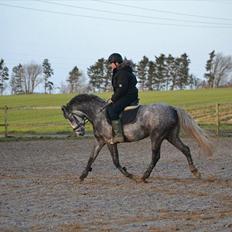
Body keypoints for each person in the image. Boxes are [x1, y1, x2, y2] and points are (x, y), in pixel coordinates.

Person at [107, 53, 139, 143]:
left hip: (128, 96)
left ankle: (118, 136)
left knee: (112, 110)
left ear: (116, 63)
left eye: (111, 63)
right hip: (126, 95)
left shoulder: (122, 73)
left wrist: (113, 99)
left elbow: (122, 89)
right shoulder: (120, 71)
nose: (110, 65)